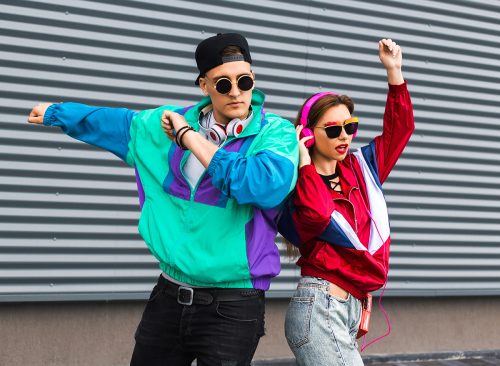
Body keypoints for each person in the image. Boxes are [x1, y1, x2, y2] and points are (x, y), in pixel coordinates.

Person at [27, 32, 298, 366]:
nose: (237, 92)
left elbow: (261, 186)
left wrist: (189, 137)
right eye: (223, 84)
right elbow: (120, 124)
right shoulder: (167, 121)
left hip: (233, 304)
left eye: (244, 81)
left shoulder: (276, 133)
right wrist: (59, 113)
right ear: (204, 86)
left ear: (253, 79)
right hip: (169, 296)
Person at [277, 38, 414, 366]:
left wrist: (394, 72)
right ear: (308, 134)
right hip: (320, 309)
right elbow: (318, 214)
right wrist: (304, 162)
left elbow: (400, 130)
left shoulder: (361, 167)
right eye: (334, 129)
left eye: (350, 127)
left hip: (350, 311)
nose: (344, 136)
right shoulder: (294, 184)